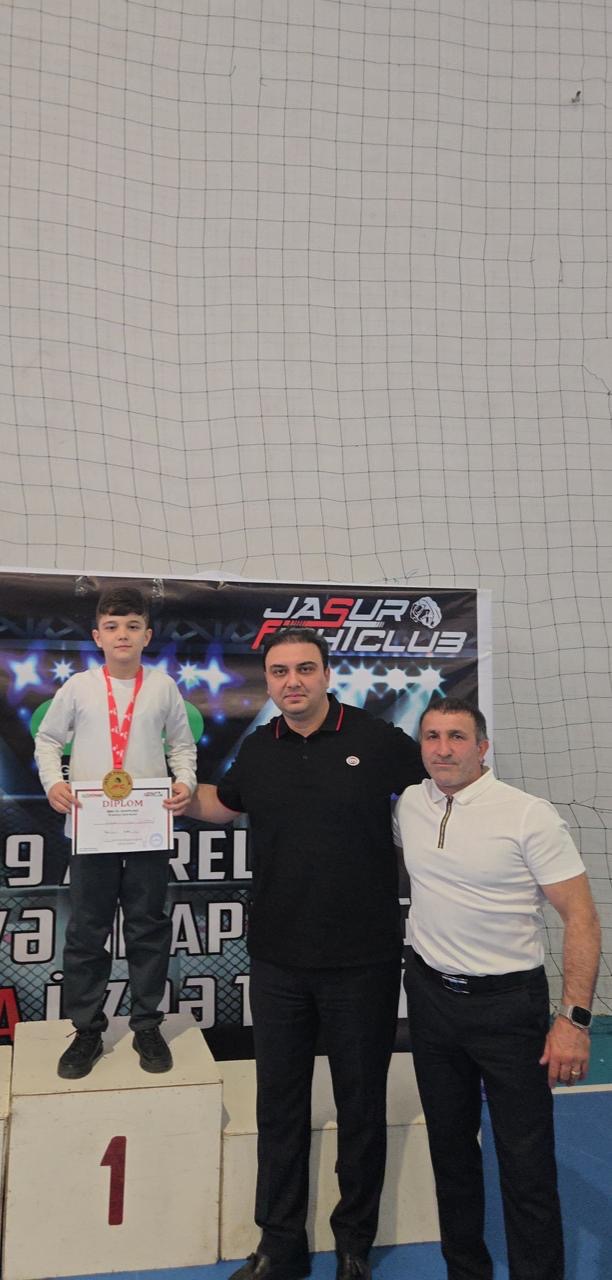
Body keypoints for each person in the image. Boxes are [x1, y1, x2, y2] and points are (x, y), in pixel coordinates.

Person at [187, 627, 425, 1280]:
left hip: (363, 961)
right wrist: (159, 794)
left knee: (360, 1107)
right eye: (279, 671)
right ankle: (280, 1245)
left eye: (304, 669)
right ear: (267, 680)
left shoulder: (377, 739)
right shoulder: (258, 748)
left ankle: (354, 1246)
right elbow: (222, 805)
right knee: (279, 1107)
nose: (292, 681)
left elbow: (441, 788)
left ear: (326, 674)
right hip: (278, 962)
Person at [393, 696, 601, 1280]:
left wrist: (574, 1021)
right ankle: (466, 1271)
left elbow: (582, 918)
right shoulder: (411, 803)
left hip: (509, 1008)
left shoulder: (528, 816)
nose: (443, 749)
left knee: (525, 1161)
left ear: (483, 748)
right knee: (450, 1152)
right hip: (431, 1002)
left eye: (457, 737)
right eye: (432, 737)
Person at [35, 585, 197, 1078]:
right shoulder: (79, 687)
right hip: (92, 829)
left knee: (148, 927)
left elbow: (182, 746)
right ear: (97, 637)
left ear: (147, 635)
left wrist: (186, 783)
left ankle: (146, 1024)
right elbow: (47, 739)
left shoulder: (163, 687)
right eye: (112, 627)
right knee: (88, 930)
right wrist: (53, 782)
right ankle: (87, 1029)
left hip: (147, 828)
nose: (122, 635)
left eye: (132, 626)